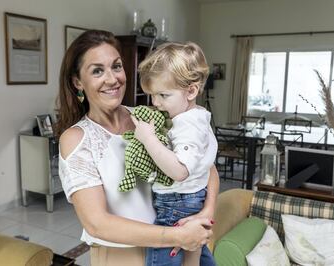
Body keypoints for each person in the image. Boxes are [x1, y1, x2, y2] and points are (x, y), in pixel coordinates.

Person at [55, 29, 219, 266]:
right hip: (123, 257)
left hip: (177, 246)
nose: (112, 79)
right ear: (78, 81)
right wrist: (179, 235)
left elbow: (203, 166)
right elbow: (97, 223)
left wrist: (206, 213)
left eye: (117, 66)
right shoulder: (76, 138)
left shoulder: (150, 118)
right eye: (98, 70)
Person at [134, 42, 218, 266]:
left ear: (191, 91)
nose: (156, 103)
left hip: (176, 204)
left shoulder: (188, 126)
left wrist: (149, 139)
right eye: (152, 95)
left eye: (163, 95)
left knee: (163, 257)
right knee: (196, 255)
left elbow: (180, 171)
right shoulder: (198, 116)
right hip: (192, 199)